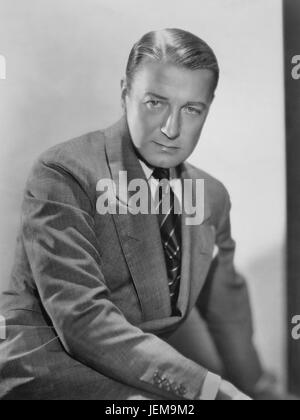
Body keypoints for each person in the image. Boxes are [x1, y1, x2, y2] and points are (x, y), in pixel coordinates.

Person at [0, 28, 268, 400]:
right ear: (125, 91)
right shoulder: (64, 172)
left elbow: (226, 309)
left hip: (142, 374)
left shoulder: (211, 196)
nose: (172, 130)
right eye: (155, 103)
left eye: (191, 109)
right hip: (47, 370)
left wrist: (259, 388)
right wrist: (209, 389)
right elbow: (82, 320)